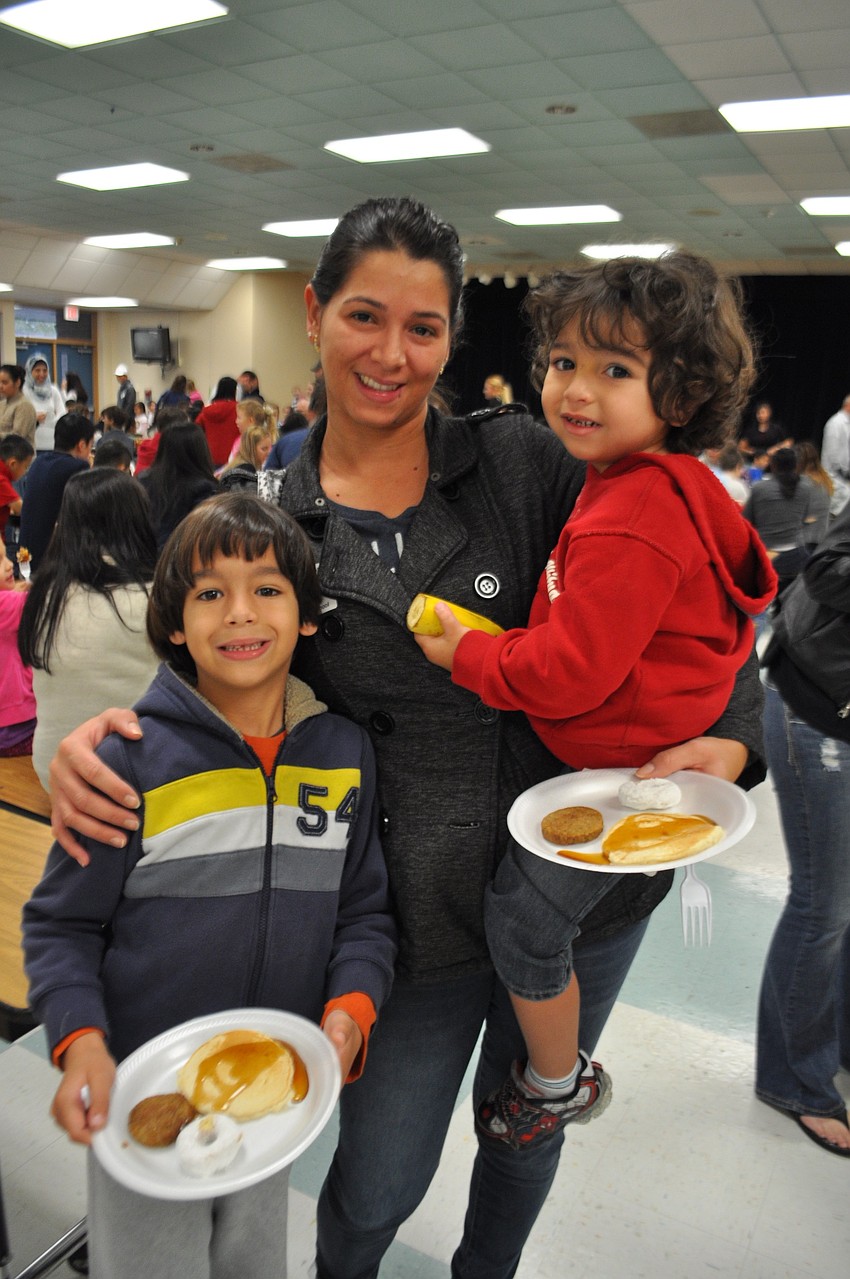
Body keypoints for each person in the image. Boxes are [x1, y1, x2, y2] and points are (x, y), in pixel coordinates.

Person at [47, 196, 765, 1279]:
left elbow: (690, 604)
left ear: (451, 337)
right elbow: (217, 660)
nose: (391, 354)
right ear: (315, 313)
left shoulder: (530, 461)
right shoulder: (269, 510)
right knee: (377, 1179)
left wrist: (735, 739)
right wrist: (104, 743)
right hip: (402, 914)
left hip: (580, 878)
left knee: (525, 1130)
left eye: (422, 328)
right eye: (364, 317)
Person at [416, 252, 776, 1147]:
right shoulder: (667, 485)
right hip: (640, 745)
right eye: (566, 362)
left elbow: (573, 669)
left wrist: (471, 652)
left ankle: (554, 1077)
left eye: (616, 370)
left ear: (682, 396)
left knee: (527, 923)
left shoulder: (627, 510)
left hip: (612, 769)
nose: (577, 389)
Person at [23, 492, 397, 1279]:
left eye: (267, 588)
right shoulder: (128, 763)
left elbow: (364, 912)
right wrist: (81, 1039)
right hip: (140, 1094)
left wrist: (351, 1008)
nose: (240, 613)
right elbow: (62, 927)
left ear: (304, 617)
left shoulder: (341, 754)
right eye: (208, 592)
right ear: (173, 623)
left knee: (254, 1263)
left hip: (271, 1092)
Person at [756, 499, 850, 1156]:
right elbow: (826, 570)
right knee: (823, 903)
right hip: (818, 710)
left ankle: (836, 1042)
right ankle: (794, 1077)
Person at [18, 468, 159, 790]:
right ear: (136, 522)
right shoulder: (152, 596)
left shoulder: (45, 592)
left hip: (53, 767)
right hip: (129, 773)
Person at [743, 446, 830, 590]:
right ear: (796, 465)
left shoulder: (759, 488)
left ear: (773, 465)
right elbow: (804, 518)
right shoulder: (806, 488)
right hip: (796, 558)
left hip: (766, 555)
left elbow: (746, 521)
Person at [19, 412, 94, 572]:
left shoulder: (39, 461)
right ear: (81, 445)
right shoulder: (78, 467)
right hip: (49, 563)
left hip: (24, 556)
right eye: (90, 446)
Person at [138, 422, 218, 551]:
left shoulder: (144, 479)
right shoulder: (205, 488)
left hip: (145, 557)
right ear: (200, 451)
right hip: (182, 559)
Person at [0, 542, 36, 758]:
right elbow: (42, 601)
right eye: (0, 560)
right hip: (14, 728)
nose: (8, 565)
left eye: (5, 556)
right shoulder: (6, 604)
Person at [219, 417, 276, 492]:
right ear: (251, 449)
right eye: (264, 449)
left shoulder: (237, 465)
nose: (269, 452)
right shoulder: (244, 477)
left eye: (270, 448)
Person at [22, 354, 65, 452]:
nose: (41, 374)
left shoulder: (53, 390)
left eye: (45, 370)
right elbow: (21, 415)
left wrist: (51, 419)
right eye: (37, 370)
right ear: (29, 371)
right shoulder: (24, 391)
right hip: (31, 443)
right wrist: (34, 418)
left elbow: (62, 413)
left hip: (52, 441)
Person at [196, 376, 239, 467]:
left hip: (209, 457)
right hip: (234, 458)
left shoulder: (206, 410)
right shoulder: (239, 409)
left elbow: (196, 429)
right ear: (234, 391)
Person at [820, 393, 850, 515]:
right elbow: (833, 454)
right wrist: (846, 471)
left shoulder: (846, 424)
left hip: (843, 478)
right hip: (834, 477)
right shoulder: (836, 423)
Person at [0, 433, 33, 541]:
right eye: (25, 467)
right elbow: (23, 509)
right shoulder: (1, 480)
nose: (25, 472)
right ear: (13, 464)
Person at [0, 363, 38, 446]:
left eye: (4, 383)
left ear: (17, 383)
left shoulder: (24, 405)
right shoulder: (2, 404)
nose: (1, 386)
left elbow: (17, 437)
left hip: (20, 456)